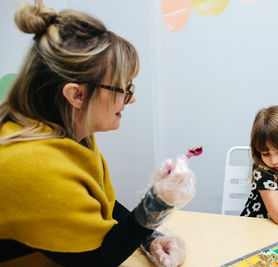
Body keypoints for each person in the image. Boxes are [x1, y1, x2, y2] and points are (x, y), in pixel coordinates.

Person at [0, 1, 194, 266]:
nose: (131, 99)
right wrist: (155, 205)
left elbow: (93, 206)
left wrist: (150, 237)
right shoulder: (33, 164)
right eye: (123, 89)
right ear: (76, 95)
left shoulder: (66, 136)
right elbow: (98, 260)